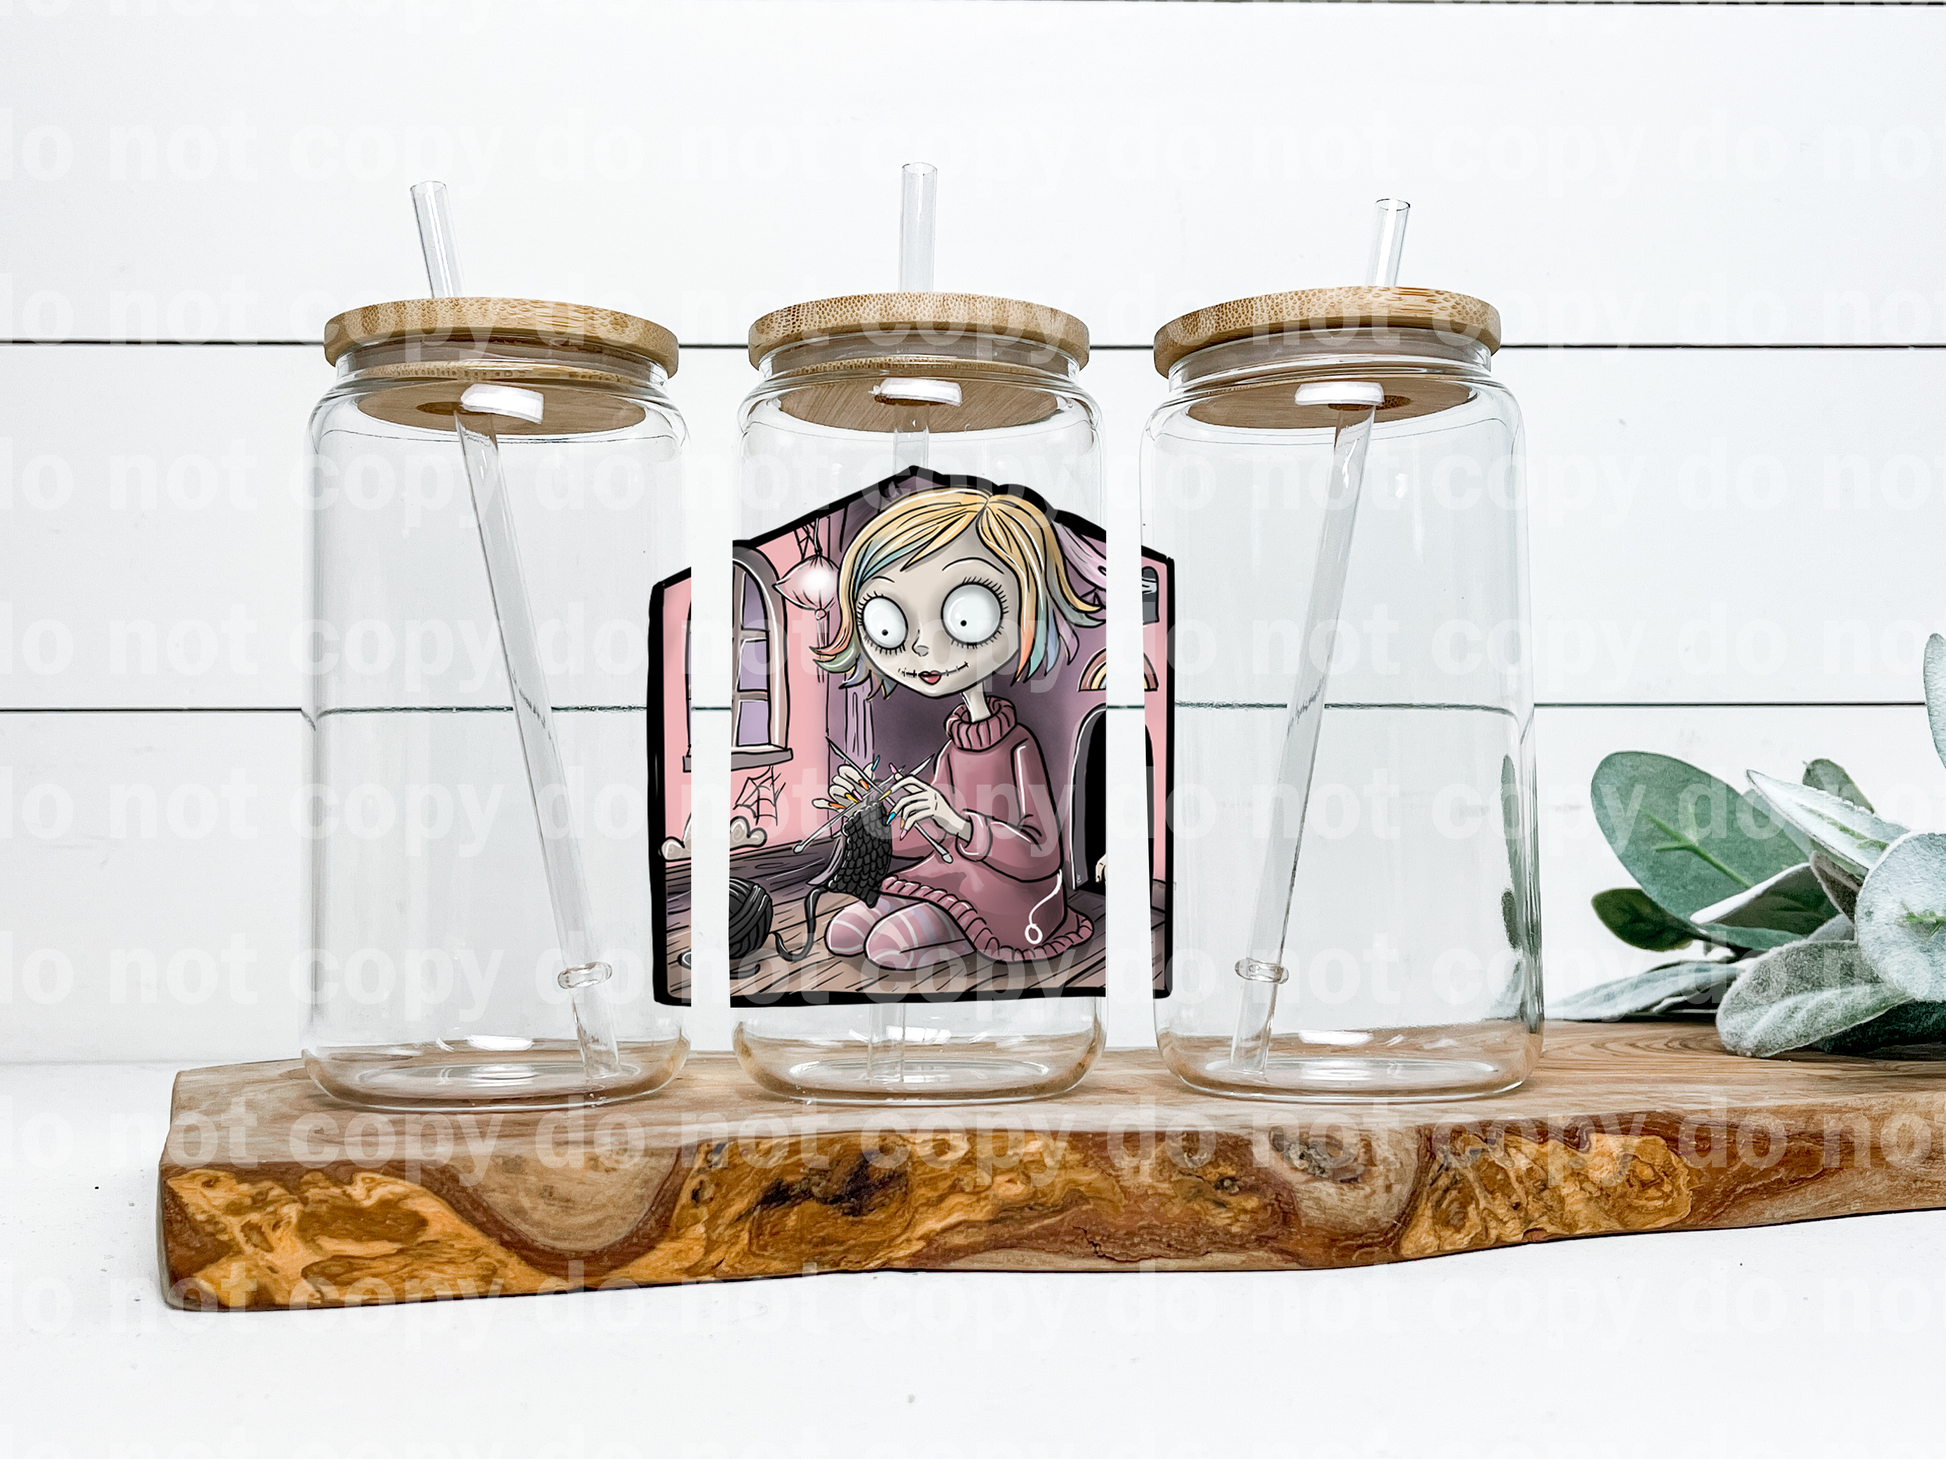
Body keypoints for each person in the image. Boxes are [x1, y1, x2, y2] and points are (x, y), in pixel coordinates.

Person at [813, 486, 1102, 972]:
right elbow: (925, 840)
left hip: (1015, 896)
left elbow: (1041, 853)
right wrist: (871, 811)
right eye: (888, 625)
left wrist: (961, 824)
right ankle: (948, 924)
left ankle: (975, 942)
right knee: (844, 932)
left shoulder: (1017, 747)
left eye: (965, 617)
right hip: (954, 874)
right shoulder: (953, 749)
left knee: (886, 946)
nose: (923, 648)